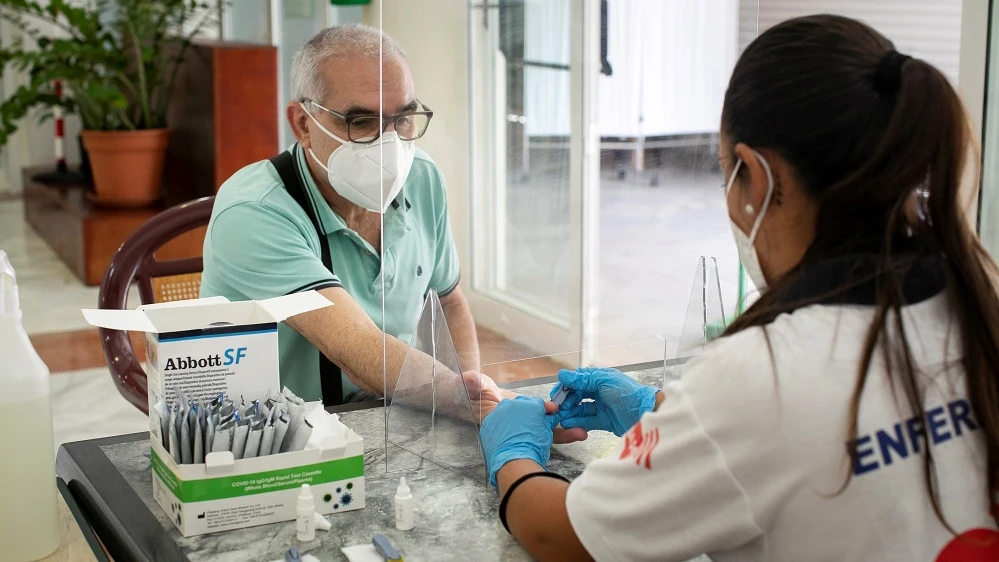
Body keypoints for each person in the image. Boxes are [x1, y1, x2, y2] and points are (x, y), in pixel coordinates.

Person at [479, 14, 999, 561]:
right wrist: (656, 411)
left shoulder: (763, 373)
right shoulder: (977, 295)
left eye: (727, 171)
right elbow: (794, 444)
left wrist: (514, 456)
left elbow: (560, 536)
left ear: (758, 173)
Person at [200, 24, 485, 405]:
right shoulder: (254, 211)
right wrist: (468, 404)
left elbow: (448, 300)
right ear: (303, 123)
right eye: (361, 122)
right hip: (281, 439)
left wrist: (473, 396)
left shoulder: (422, 177)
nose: (389, 144)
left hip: (393, 412)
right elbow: (355, 346)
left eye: (402, 118)